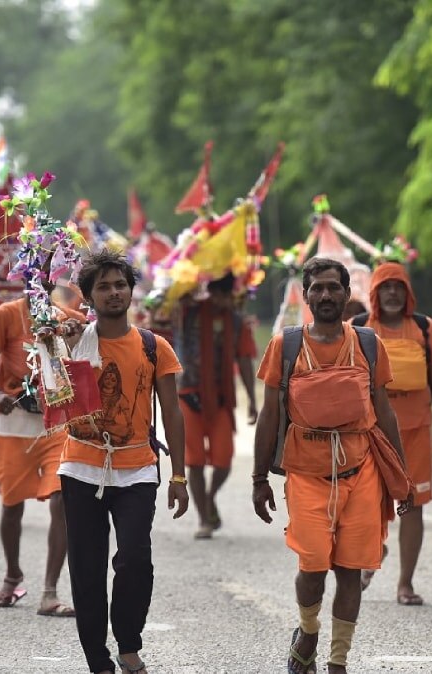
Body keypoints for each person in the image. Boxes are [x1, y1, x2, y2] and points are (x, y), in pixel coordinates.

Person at [252, 256, 408, 674]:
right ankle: (308, 629)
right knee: (314, 566)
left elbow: (385, 412)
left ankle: (338, 661)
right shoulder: (285, 346)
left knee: (351, 570)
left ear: (346, 294)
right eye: (317, 288)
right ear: (305, 296)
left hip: (362, 471)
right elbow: (269, 415)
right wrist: (258, 477)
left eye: (333, 288)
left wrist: (402, 477)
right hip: (306, 474)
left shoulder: (368, 344)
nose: (325, 295)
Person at [60, 251, 190, 674]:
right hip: (81, 466)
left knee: (135, 556)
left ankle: (129, 643)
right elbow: (49, 388)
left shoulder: (155, 347)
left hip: (136, 468)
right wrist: (55, 338)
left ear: (131, 291)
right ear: (89, 296)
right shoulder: (73, 340)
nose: (114, 292)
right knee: (87, 563)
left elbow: (172, 412)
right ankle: (97, 658)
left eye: (120, 285)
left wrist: (179, 475)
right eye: (104, 286)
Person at [0, 272, 83, 616]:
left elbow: (85, 369)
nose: (40, 287)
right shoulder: (3, 316)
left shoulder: (70, 321)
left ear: (54, 285)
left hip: (57, 426)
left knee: (62, 499)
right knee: (12, 504)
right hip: (13, 424)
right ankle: (12, 576)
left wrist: (79, 340)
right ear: (23, 279)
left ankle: (49, 592)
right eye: (33, 277)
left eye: (47, 280)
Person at [350, 262, 432, 605]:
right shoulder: (357, 327)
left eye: (399, 287)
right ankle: (371, 553)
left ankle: (405, 584)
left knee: (412, 505)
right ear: (375, 293)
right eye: (386, 287)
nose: (393, 293)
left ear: (408, 293)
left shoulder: (425, 328)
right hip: (369, 432)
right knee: (365, 501)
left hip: (415, 431)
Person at [173, 273, 258, 539]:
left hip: (220, 399)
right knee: (195, 462)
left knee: (223, 461)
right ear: (209, 292)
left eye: (226, 295)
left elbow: (244, 360)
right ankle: (204, 519)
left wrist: (253, 400)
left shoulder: (237, 321)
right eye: (217, 295)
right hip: (188, 395)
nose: (222, 300)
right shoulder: (188, 312)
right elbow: (166, 311)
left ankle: (209, 497)